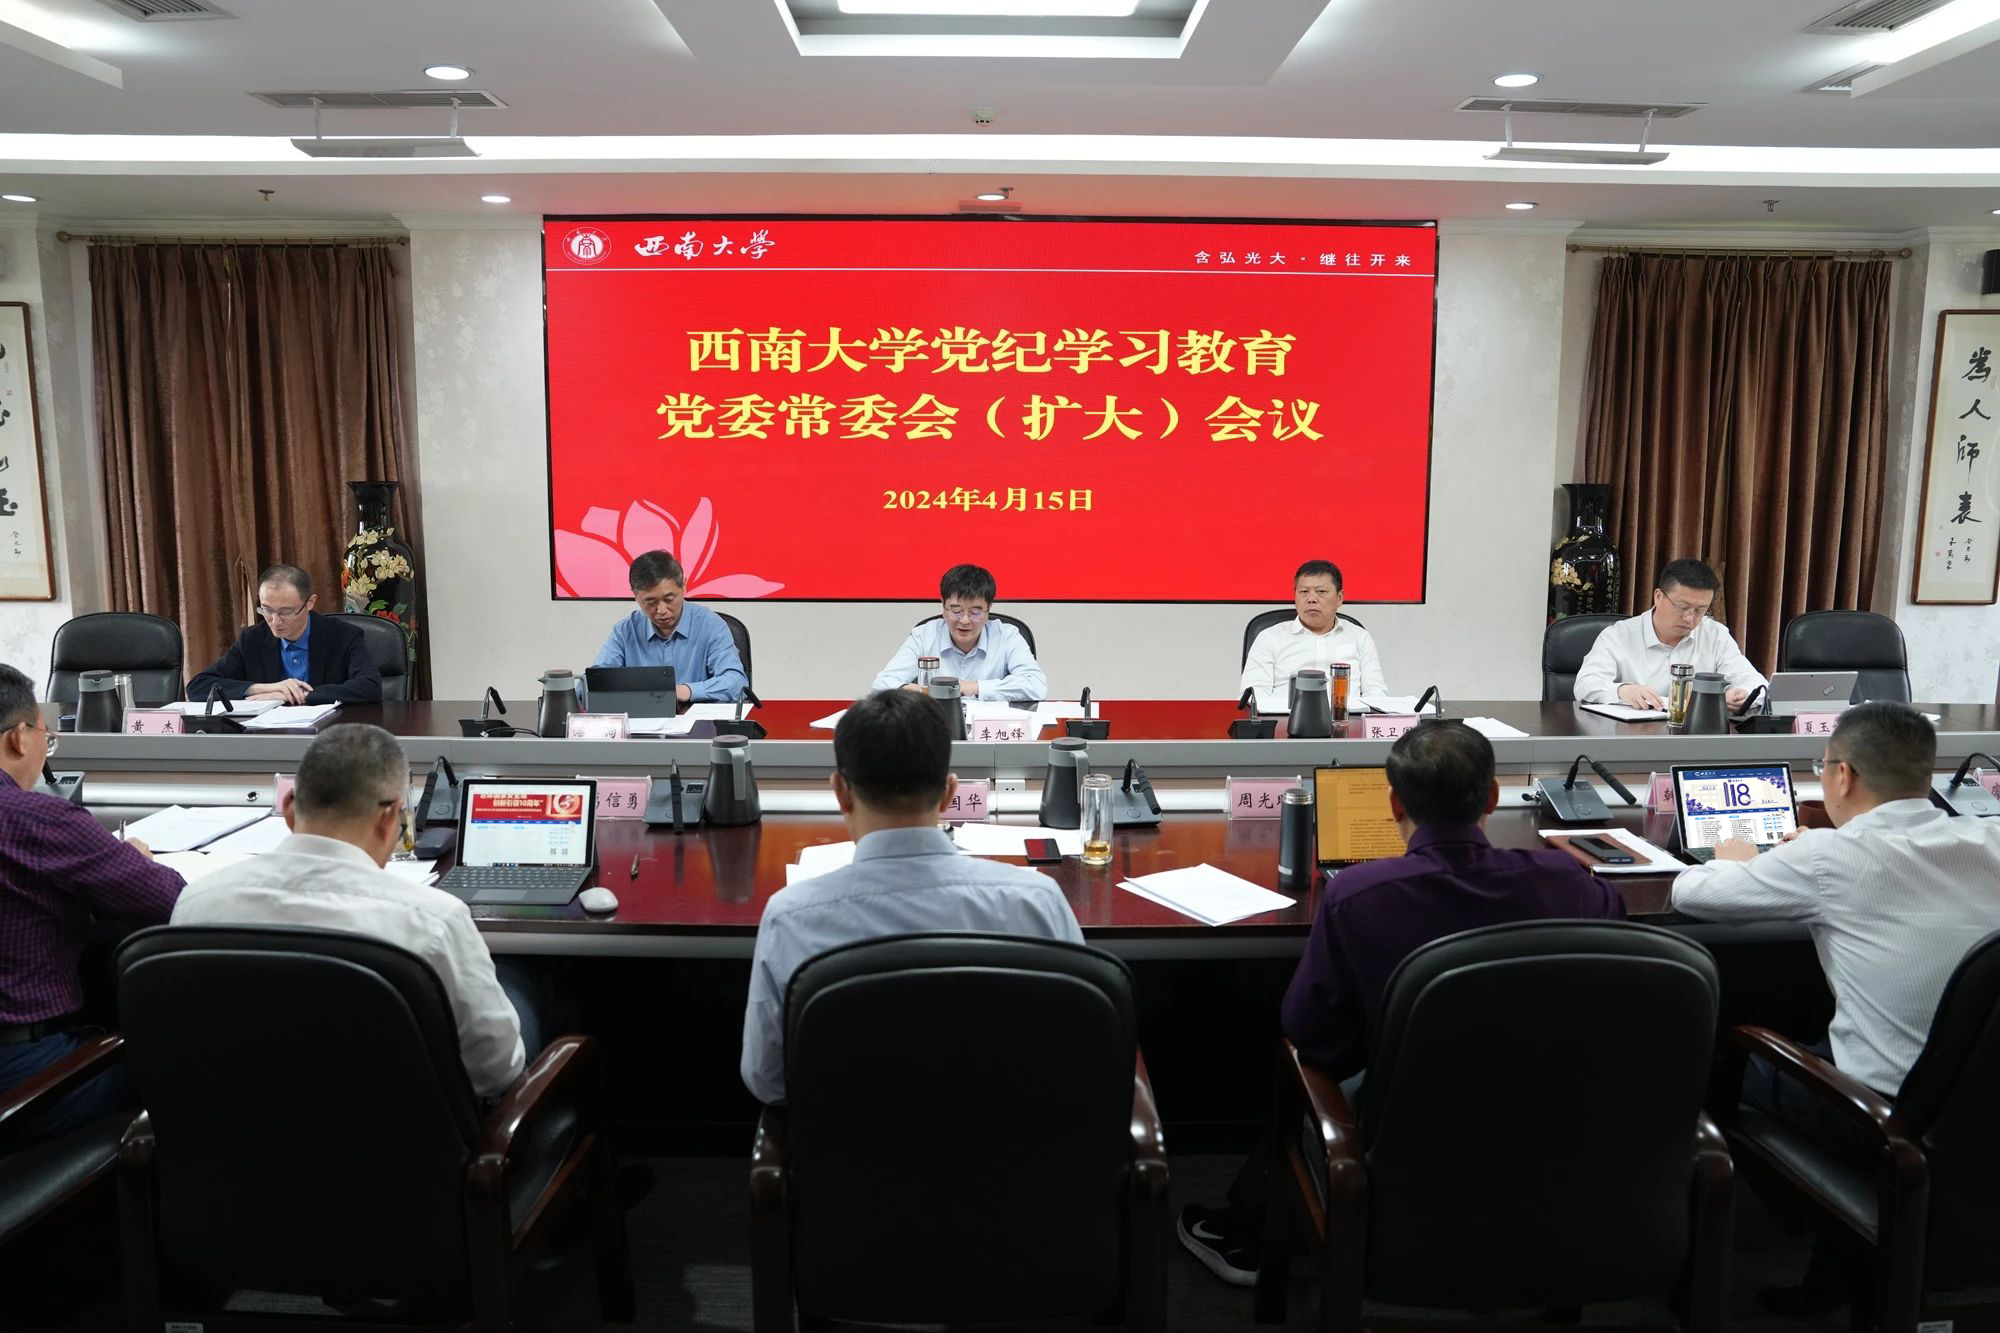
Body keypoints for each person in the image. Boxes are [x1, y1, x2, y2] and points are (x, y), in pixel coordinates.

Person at [1177, 720, 1625, 1287]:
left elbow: (1310, 1036)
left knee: (1312, 1076)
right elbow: (1614, 928)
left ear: (1393, 804)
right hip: (1549, 1121)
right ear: (1492, 796)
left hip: (1410, 1130)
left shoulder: (1356, 895)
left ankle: (1255, 1233)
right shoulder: (1566, 881)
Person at [1673, 703, 2000, 1312]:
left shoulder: (1828, 857)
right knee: (1828, 1038)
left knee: (1730, 1056)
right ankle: (1835, 1272)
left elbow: (1690, 894)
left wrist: (1739, 862)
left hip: (1890, 1122)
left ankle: (1716, 1274)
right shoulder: (1990, 839)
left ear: (1842, 776)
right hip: (1981, 1106)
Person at [740, 689, 1082, 1104]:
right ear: (950, 792)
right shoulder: (1038, 903)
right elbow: (1079, 1049)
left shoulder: (791, 918)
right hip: (1012, 1140)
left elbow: (768, 1080)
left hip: (851, 1143)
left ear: (840, 792)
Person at [170, 724, 528, 1098]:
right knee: (525, 983)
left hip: (235, 1129)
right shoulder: (433, 922)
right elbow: (495, 1072)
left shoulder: (197, 905)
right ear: (390, 818)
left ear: (289, 808)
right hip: (399, 1132)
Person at [0, 663, 183, 1142]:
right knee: (200, 1055)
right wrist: (127, 861)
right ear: (19, 738)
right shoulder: (37, 820)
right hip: (23, 1077)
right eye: (46, 736)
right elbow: (170, 900)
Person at [1572, 557, 1767, 709]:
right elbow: (1585, 684)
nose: (1690, 618)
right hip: (1634, 737)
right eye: (1682, 607)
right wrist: (1623, 691)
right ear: (1658, 596)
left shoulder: (1715, 635)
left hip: (1696, 737)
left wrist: (1743, 694)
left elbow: (1757, 684)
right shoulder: (1619, 635)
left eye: (1700, 610)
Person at [187, 563, 383, 706]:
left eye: (285, 612)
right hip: (269, 738)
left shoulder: (343, 635)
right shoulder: (252, 639)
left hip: (328, 735)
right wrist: (269, 688)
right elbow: (198, 687)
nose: (275, 621)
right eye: (266, 610)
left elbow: (370, 686)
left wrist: (300, 695)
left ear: (310, 603)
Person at [871, 563, 1046, 702]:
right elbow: (881, 684)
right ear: (943, 606)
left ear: (989, 608)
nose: (965, 620)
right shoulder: (924, 636)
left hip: (990, 729)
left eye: (975, 612)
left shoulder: (1007, 636)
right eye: (956, 610)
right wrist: (917, 691)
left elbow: (1036, 685)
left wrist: (975, 687)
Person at [592, 550, 746, 703]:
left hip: (697, 717)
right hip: (642, 717)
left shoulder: (711, 626)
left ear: (684, 585)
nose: (661, 610)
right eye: (651, 602)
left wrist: (687, 691)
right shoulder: (625, 632)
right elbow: (595, 681)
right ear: (636, 596)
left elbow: (736, 682)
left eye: (669, 599)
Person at [1240, 559, 1388, 699]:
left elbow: (1376, 694)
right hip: (1285, 717)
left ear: (1339, 598)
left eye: (1321, 591)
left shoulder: (1359, 637)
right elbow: (1253, 697)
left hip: (1345, 716)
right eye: (1304, 592)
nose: (1311, 599)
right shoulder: (1269, 638)